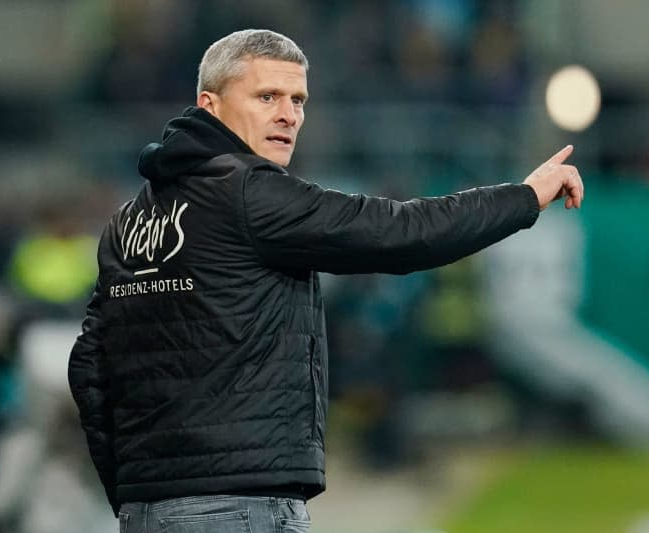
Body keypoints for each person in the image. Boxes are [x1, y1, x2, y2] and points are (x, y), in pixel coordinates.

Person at [68, 29, 583, 532]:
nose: (288, 115)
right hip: (239, 506)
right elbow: (400, 232)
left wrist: (136, 489)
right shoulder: (248, 194)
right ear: (210, 105)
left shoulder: (127, 221)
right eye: (267, 96)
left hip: (148, 509)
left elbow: (89, 365)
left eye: (298, 100)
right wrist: (524, 198)